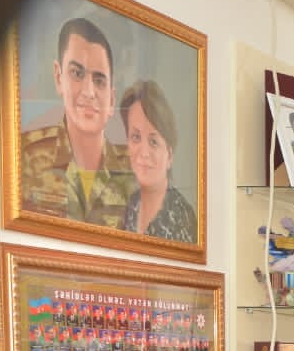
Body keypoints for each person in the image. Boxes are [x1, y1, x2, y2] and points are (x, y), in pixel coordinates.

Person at [20, 17, 134, 226]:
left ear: (111, 99)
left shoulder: (135, 171)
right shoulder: (23, 156)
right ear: (58, 77)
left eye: (99, 81)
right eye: (77, 74)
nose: (89, 92)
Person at [118, 80, 196, 243]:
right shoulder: (131, 205)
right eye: (136, 137)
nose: (144, 153)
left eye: (153, 142)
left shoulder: (182, 219)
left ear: (169, 155)